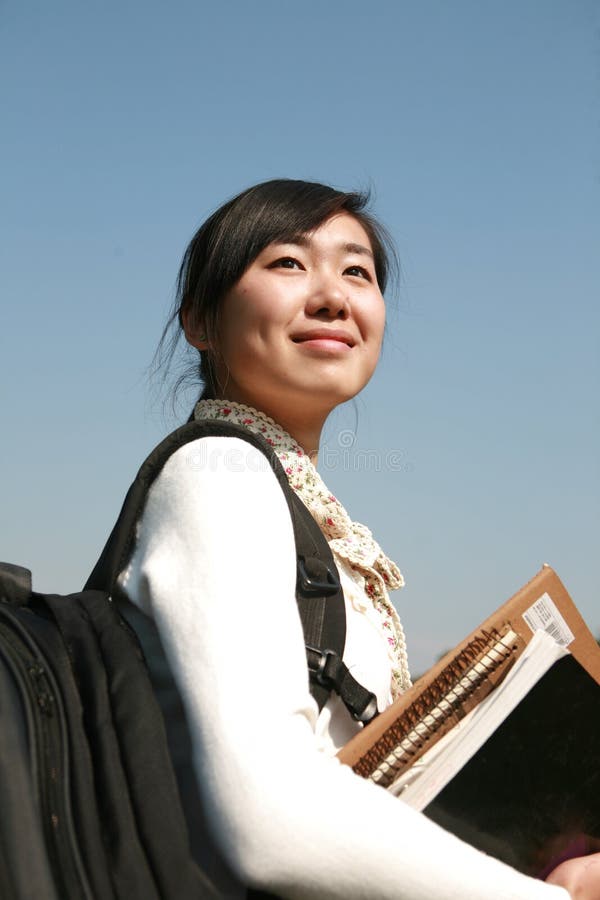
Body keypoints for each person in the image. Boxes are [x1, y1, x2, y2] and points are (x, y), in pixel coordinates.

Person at [117, 179, 598, 899]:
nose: (333, 296)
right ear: (199, 321)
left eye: (357, 272)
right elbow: (273, 819)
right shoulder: (220, 473)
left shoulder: (292, 504)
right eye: (286, 263)